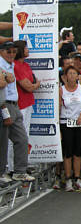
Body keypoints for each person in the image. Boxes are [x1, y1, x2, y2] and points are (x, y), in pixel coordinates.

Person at [0, 42, 34, 182]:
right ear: (1, 51)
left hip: (15, 104)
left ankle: (20, 171)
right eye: (8, 51)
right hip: (4, 104)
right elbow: (2, 84)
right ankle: (2, 172)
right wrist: (4, 75)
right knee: (2, 142)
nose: (11, 54)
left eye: (14, 51)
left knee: (22, 138)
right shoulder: (1, 64)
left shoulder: (12, 65)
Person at [59, 66, 81, 191]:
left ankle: (77, 178)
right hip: (66, 123)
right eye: (69, 73)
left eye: (74, 73)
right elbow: (59, 107)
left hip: (79, 123)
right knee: (68, 152)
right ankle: (68, 178)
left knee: (78, 151)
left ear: (77, 76)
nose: (71, 76)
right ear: (65, 77)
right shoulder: (61, 90)